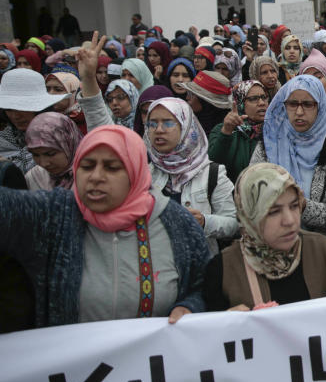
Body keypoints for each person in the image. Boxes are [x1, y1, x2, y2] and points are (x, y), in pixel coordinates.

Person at [0, 125, 207, 326]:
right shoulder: (54, 214)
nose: (96, 177)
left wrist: (190, 307)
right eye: (87, 166)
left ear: (135, 173)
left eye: (112, 167)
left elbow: (203, 287)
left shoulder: (178, 224)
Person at [203, 163, 326, 310]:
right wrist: (227, 326)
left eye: (294, 206)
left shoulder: (324, 251)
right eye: (273, 212)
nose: (289, 221)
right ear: (249, 216)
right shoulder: (223, 270)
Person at [251, 75, 326, 259]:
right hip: (272, 249)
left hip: (319, 253)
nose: (298, 112)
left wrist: (301, 205)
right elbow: (251, 196)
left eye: (307, 104)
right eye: (292, 104)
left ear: (320, 107)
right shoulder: (268, 146)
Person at [145, 97, 238, 257]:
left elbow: (234, 224)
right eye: (152, 124)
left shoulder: (212, 173)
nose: (158, 130)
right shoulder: (145, 174)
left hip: (200, 267)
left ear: (186, 127)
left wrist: (204, 221)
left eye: (167, 123)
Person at [208, 80, 269, 182]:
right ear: (240, 103)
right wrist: (226, 132)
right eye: (253, 99)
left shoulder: (275, 129)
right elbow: (214, 165)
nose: (261, 103)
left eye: (264, 97)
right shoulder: (223, 129)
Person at [24, 112, 83, 191]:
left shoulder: (92, 175)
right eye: (36, 155)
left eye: (50, 154)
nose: (44, 163)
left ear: (69, 145)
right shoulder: (33, 177)